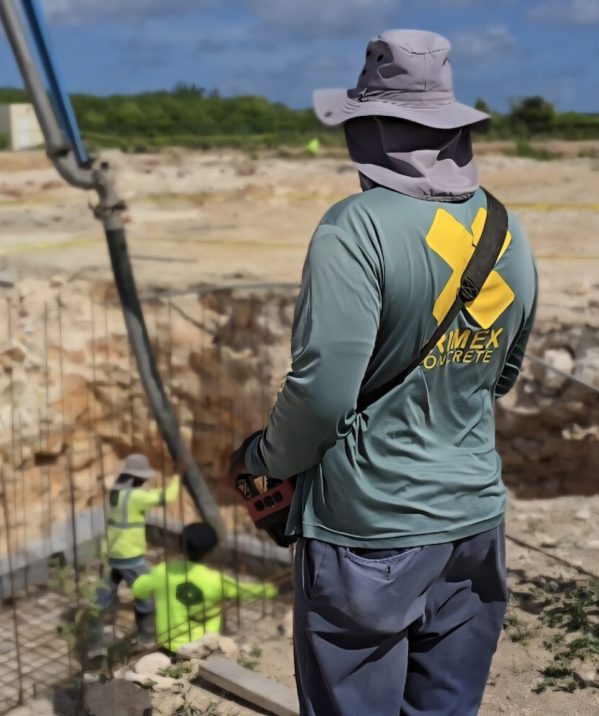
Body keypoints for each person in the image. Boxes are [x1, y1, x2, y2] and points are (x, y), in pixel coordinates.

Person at [230, 30, 538, 716]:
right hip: (473, 521)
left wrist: (266, 459)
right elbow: (503, 374)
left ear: (367, 130)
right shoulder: (506, 229)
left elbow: (322, 394)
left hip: (370, 530)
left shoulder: (355, 228)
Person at [131, 522, 277, 651]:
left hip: (168, 643)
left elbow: (138, 589)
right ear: (211, 550)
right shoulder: (215, 580)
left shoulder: (162, 571)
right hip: (202, 646)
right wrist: (273, 589)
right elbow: (247, 591)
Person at [95, 453, 180, 640]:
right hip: (129, 556)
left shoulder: (115, 493)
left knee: (103, 596)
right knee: (146, 593)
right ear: (137, 477)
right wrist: (178, 477)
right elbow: (167, 497)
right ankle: (147, 636)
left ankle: (95, 639)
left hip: (111, 552)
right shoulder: (136, 497)